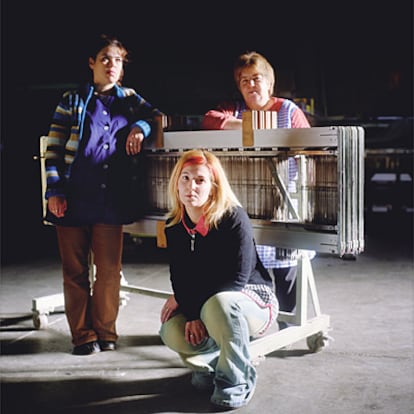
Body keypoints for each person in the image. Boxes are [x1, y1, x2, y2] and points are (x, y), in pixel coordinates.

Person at [44, 34, 163, 355]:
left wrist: (141, 128)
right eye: (105, 58)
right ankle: (82, 336)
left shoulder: (130, 99)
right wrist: (53, 190)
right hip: (71, 197)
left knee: (109, 272)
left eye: (118, 60)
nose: (112, 65)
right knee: (75, 272)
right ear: (92, 63)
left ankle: (106, 332)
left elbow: (156, 117)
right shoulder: (71, 100)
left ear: (123, 67)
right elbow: (53, 150)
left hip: (112, 200)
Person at [159, 149, 278, 409]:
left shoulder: (233, 217)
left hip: (252, 301)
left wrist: (192, 303)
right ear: (176, 184)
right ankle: (211, 365)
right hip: (211, 304)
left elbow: (236, 279)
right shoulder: (174, 225)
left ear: (213, 186)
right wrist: (190, 313)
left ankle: (236, 381)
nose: (191, 186)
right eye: (185, 178)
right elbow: (179, 276)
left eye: (200, 180)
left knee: (220, 304)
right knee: (171, 329)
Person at [201, 51, 312, 321]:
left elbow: (311, 150)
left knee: (287, 273)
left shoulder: (289, 111)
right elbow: (209, 119)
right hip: (247, 206)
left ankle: (289, 329)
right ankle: (255, 326)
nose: (251, 85)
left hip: (286, 206)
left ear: (270, 83)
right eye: (244, 81)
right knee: (251, 274)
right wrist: (249, 126)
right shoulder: (235, 111)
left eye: (256, 79)